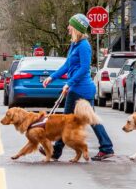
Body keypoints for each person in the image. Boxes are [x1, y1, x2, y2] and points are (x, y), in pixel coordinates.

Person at [41, 13, 115, 161]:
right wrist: (52, 77)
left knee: (77, 120)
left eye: (70, 25)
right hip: (75, 88)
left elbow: (84, 69)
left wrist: (69, 83)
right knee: (69, 120)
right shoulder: (74, 45)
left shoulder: (84, 46)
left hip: (82, 89)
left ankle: (106, 147)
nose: (68, 27)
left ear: (76, 28)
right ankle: (105, 147)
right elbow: (67, 65)